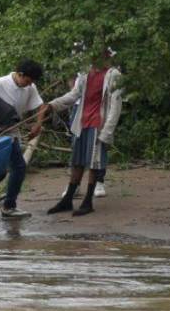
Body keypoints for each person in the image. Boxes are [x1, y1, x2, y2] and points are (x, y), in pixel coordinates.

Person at [31, 46, 123, 216]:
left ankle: (88, 201)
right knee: (77, 161)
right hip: (81, 121)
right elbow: (74, 95)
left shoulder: (114, 75)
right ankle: (68, 200)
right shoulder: (85, 74)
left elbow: (115, 107)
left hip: (99, 124)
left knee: (94, 162)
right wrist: (52, 105)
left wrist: (107, 132)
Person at [0, 59, 45, 219]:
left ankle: (9, 206)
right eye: (27, 81)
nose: (29, 85)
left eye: (31, 82)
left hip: (12, 132)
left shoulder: (30, 87)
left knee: (17, 168)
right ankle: (4, 206)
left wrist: (38, 124)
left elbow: (40, 106)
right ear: (20, 74)